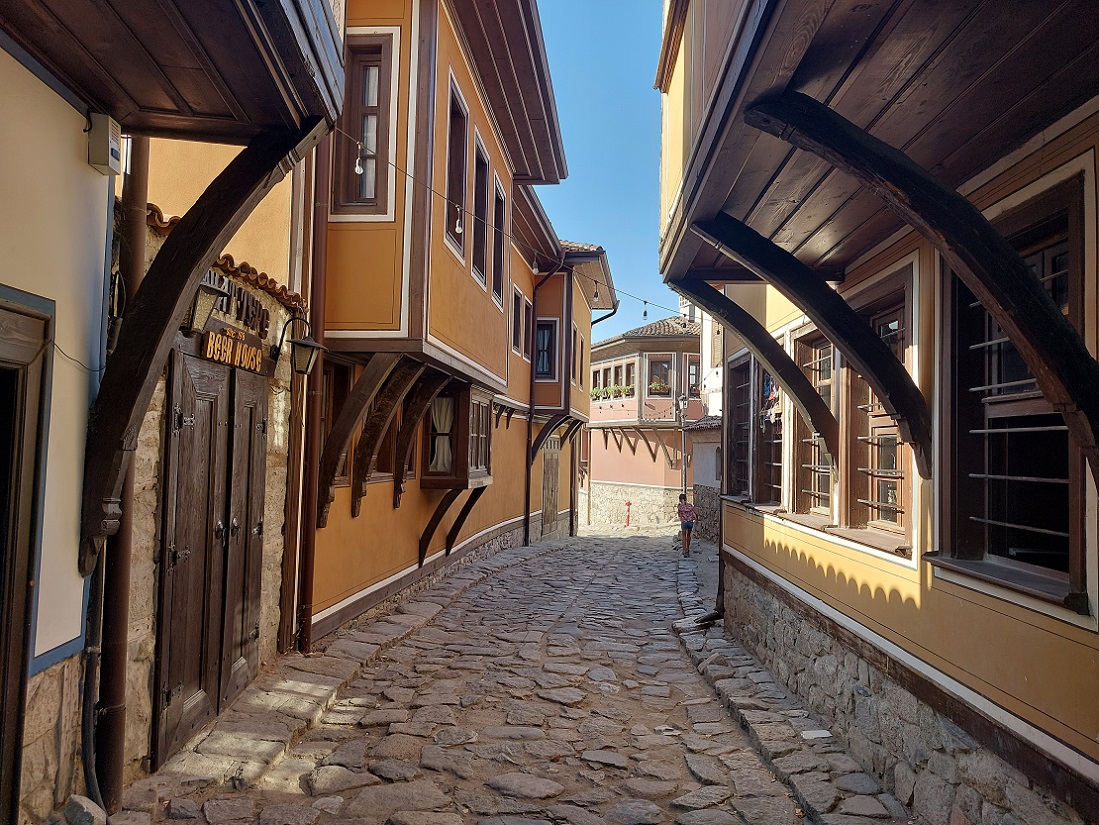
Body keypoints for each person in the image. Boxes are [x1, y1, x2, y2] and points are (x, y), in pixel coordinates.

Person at [677, 493, 697, 558]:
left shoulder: (680, 507)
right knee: (688, 535)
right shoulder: (690, 506)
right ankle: (688, 548)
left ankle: (684, 550)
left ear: (680, 500)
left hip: (684, 523)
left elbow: (679, 515)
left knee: (683, 536)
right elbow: (694, 513)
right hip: (690, 522)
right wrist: (696, 520)